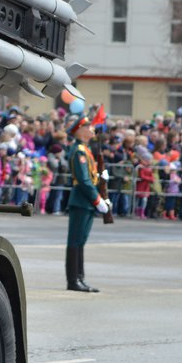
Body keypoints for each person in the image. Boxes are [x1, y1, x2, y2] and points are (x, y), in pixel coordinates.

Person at [65, 116, 106, 293]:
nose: (92, 130)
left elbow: (90, 177)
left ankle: (79, 278)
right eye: (88, 127)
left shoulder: (85, 150)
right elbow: (83, 180)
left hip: (86, 202)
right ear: (80, 130)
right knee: (75, 241)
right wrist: (97, 199)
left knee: (80, 241)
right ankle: (73, 280)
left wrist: (101, 180)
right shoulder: (79, 151)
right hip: (82, 201)